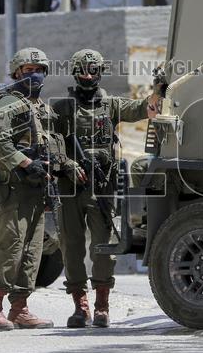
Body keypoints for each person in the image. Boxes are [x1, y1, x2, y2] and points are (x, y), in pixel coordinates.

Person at [50, 49, 160, 328]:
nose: (88, 75)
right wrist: (66, 164)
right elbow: (50, 143)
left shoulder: (110, 105)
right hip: (69, 187)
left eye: (93, 70)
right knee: (71, 246)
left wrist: (158, 93)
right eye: (83, 70)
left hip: (101, 187)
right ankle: (80, 306)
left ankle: (101, 305)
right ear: (75, 72)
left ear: (100, 73)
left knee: (103, 247)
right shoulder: (62, 108)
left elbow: (141, 109)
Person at [0, 47, 83, 330]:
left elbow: (49, 144)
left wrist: (65, 166)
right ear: (16, 73)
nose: (35, 75)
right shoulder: (7, 103)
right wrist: (24, 162)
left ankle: (20, 308)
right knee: (11, 245)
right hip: (11, 187)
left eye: (40, 70)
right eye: (28, 70)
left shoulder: (39, 107)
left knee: (33, 250)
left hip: (36, 188)